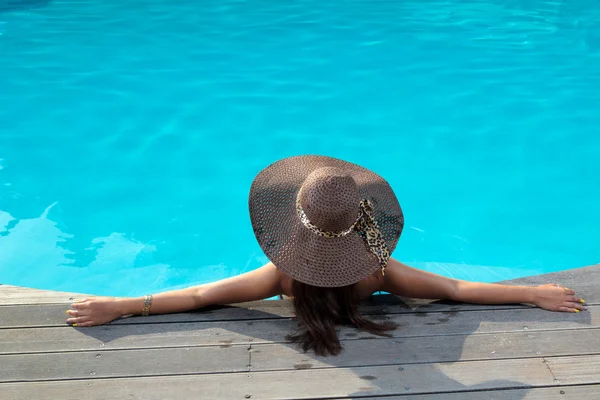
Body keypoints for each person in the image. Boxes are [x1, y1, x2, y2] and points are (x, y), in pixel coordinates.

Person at [66, 155, 586, 356]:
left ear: (295, 221)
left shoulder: (281, 277)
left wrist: (125, 305)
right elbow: (453, 291)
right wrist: (529, 294)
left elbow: (202, 295)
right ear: (362, 220)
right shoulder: (376, 274)